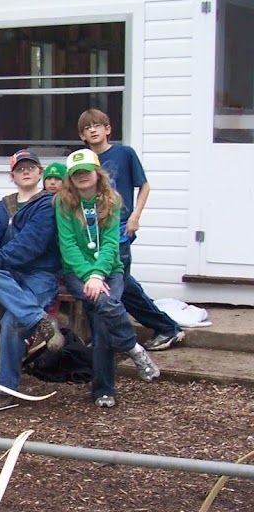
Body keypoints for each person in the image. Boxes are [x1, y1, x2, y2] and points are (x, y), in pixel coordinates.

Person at [55, 148, 160, 407]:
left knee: (103, 320)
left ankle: (104, 390)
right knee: (106, 308)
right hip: (77, 272)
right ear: (70, 178)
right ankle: (133, 348)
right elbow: (68, 246)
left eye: (86, 171)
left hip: (110, 270)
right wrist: (88, 275)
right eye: (76, 173)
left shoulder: (111, 200)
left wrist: (99, 273)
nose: (82, 176)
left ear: (97, 173)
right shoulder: (63, 203)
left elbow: (112, 243)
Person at [77, 108, 184, 351]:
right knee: (119, 283)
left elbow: (144, 186)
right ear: (82, 136)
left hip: (121, 228)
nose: (92, 130)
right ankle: (164, 328)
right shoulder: (83, 159)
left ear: (108, 129)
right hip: (92, 231)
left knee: (117, 282)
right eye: (86, 128)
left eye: (97, 125)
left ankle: (161, 329)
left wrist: (135, 216)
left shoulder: (124, 154)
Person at [0, 149, 64, 409]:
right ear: (12, 175)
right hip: (9, 274)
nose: (25, 172)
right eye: (20, 169)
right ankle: (40, 320)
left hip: (40, 274)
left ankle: (5, 388)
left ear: (39, 172)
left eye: (30, 167)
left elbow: (31, 242)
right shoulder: (3, 205)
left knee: (12, 322)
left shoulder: (48, 204)